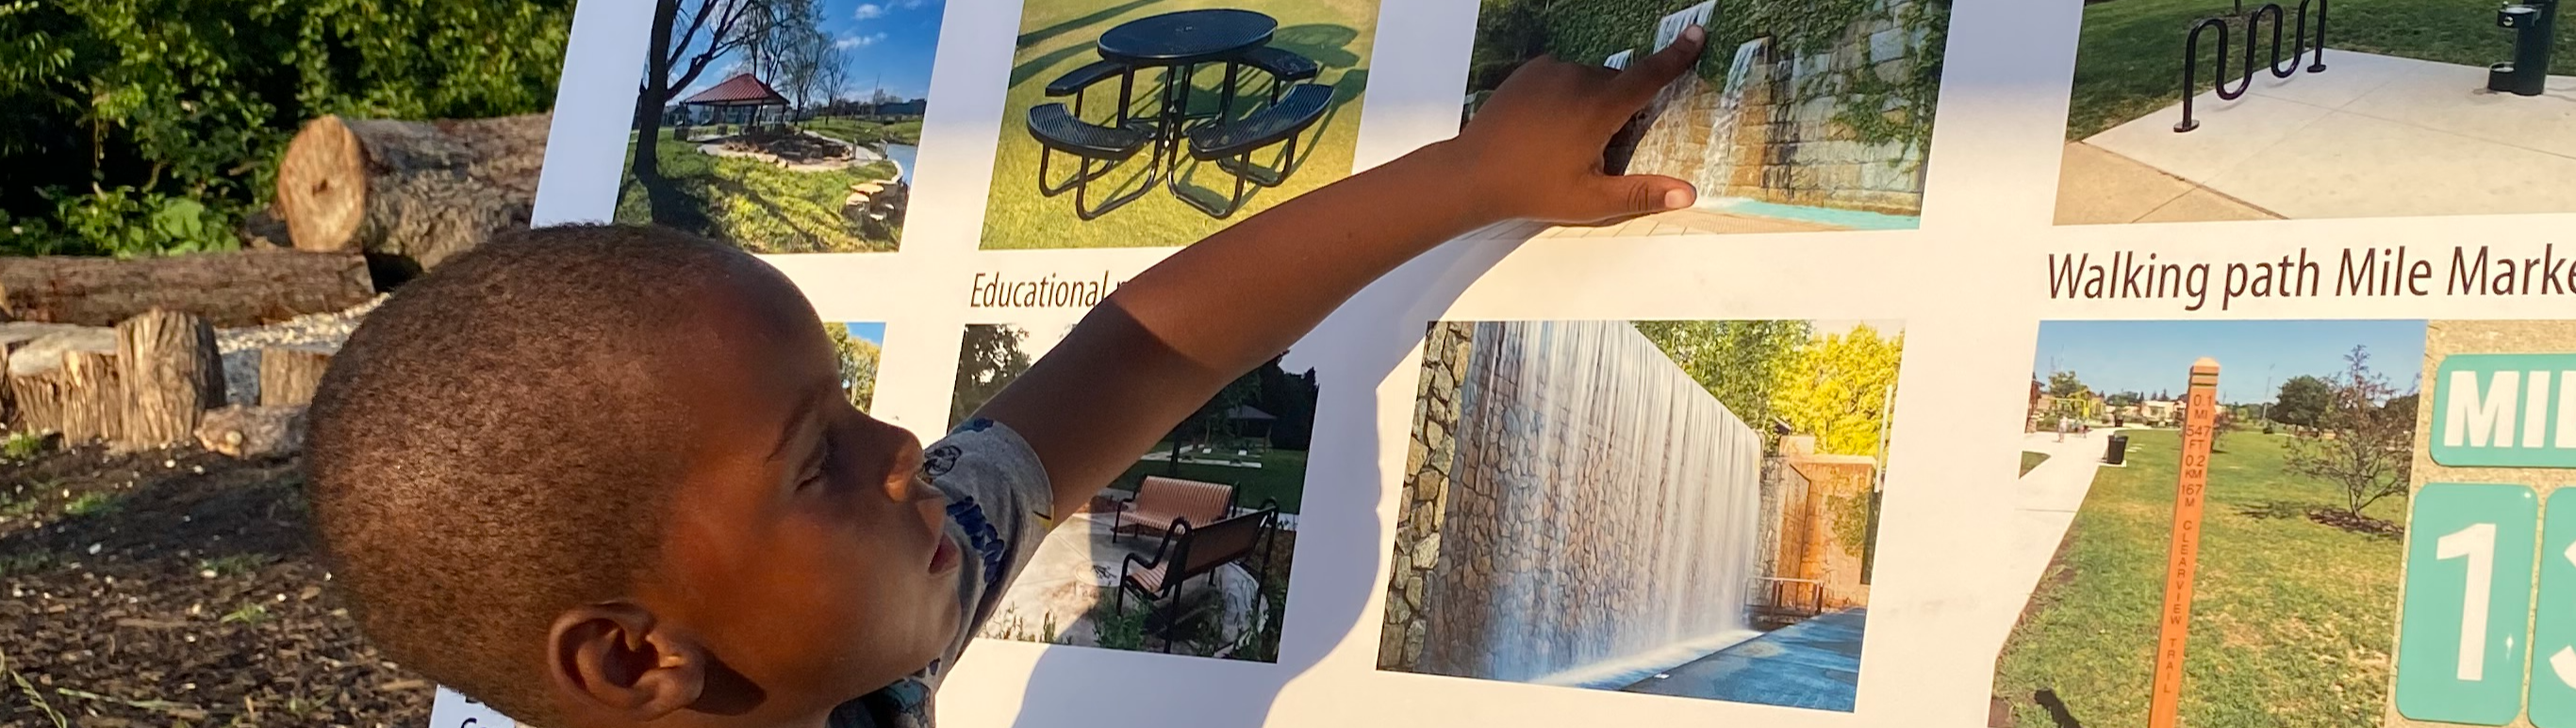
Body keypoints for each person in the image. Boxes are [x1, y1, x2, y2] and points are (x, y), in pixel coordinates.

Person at [305, 26, 1711, 728]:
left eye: (850, 408)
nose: (906, 444)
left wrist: (1471, 175)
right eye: (820, 462)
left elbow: (1133, 356)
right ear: (633, 657)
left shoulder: (847, 656)